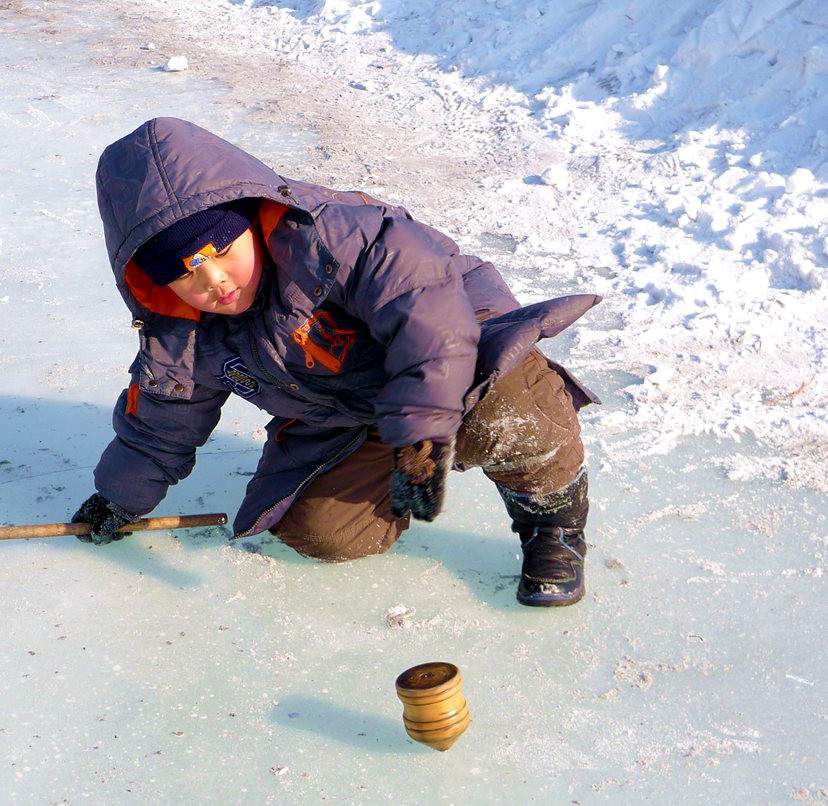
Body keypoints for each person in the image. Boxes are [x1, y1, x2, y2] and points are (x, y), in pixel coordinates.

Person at [72, 117, 599, 607]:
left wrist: (421, 431)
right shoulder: (181, 333)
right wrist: (119, 499)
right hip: (344, 414)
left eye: (221, 249)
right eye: (185, 272)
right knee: (318, 532)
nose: (213, 281)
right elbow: (162, 424)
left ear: (250, 221)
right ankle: (386, 464)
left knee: (499, 407)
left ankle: (553, 525)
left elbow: (432, 323)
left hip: (457, 356)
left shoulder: (341, 239)